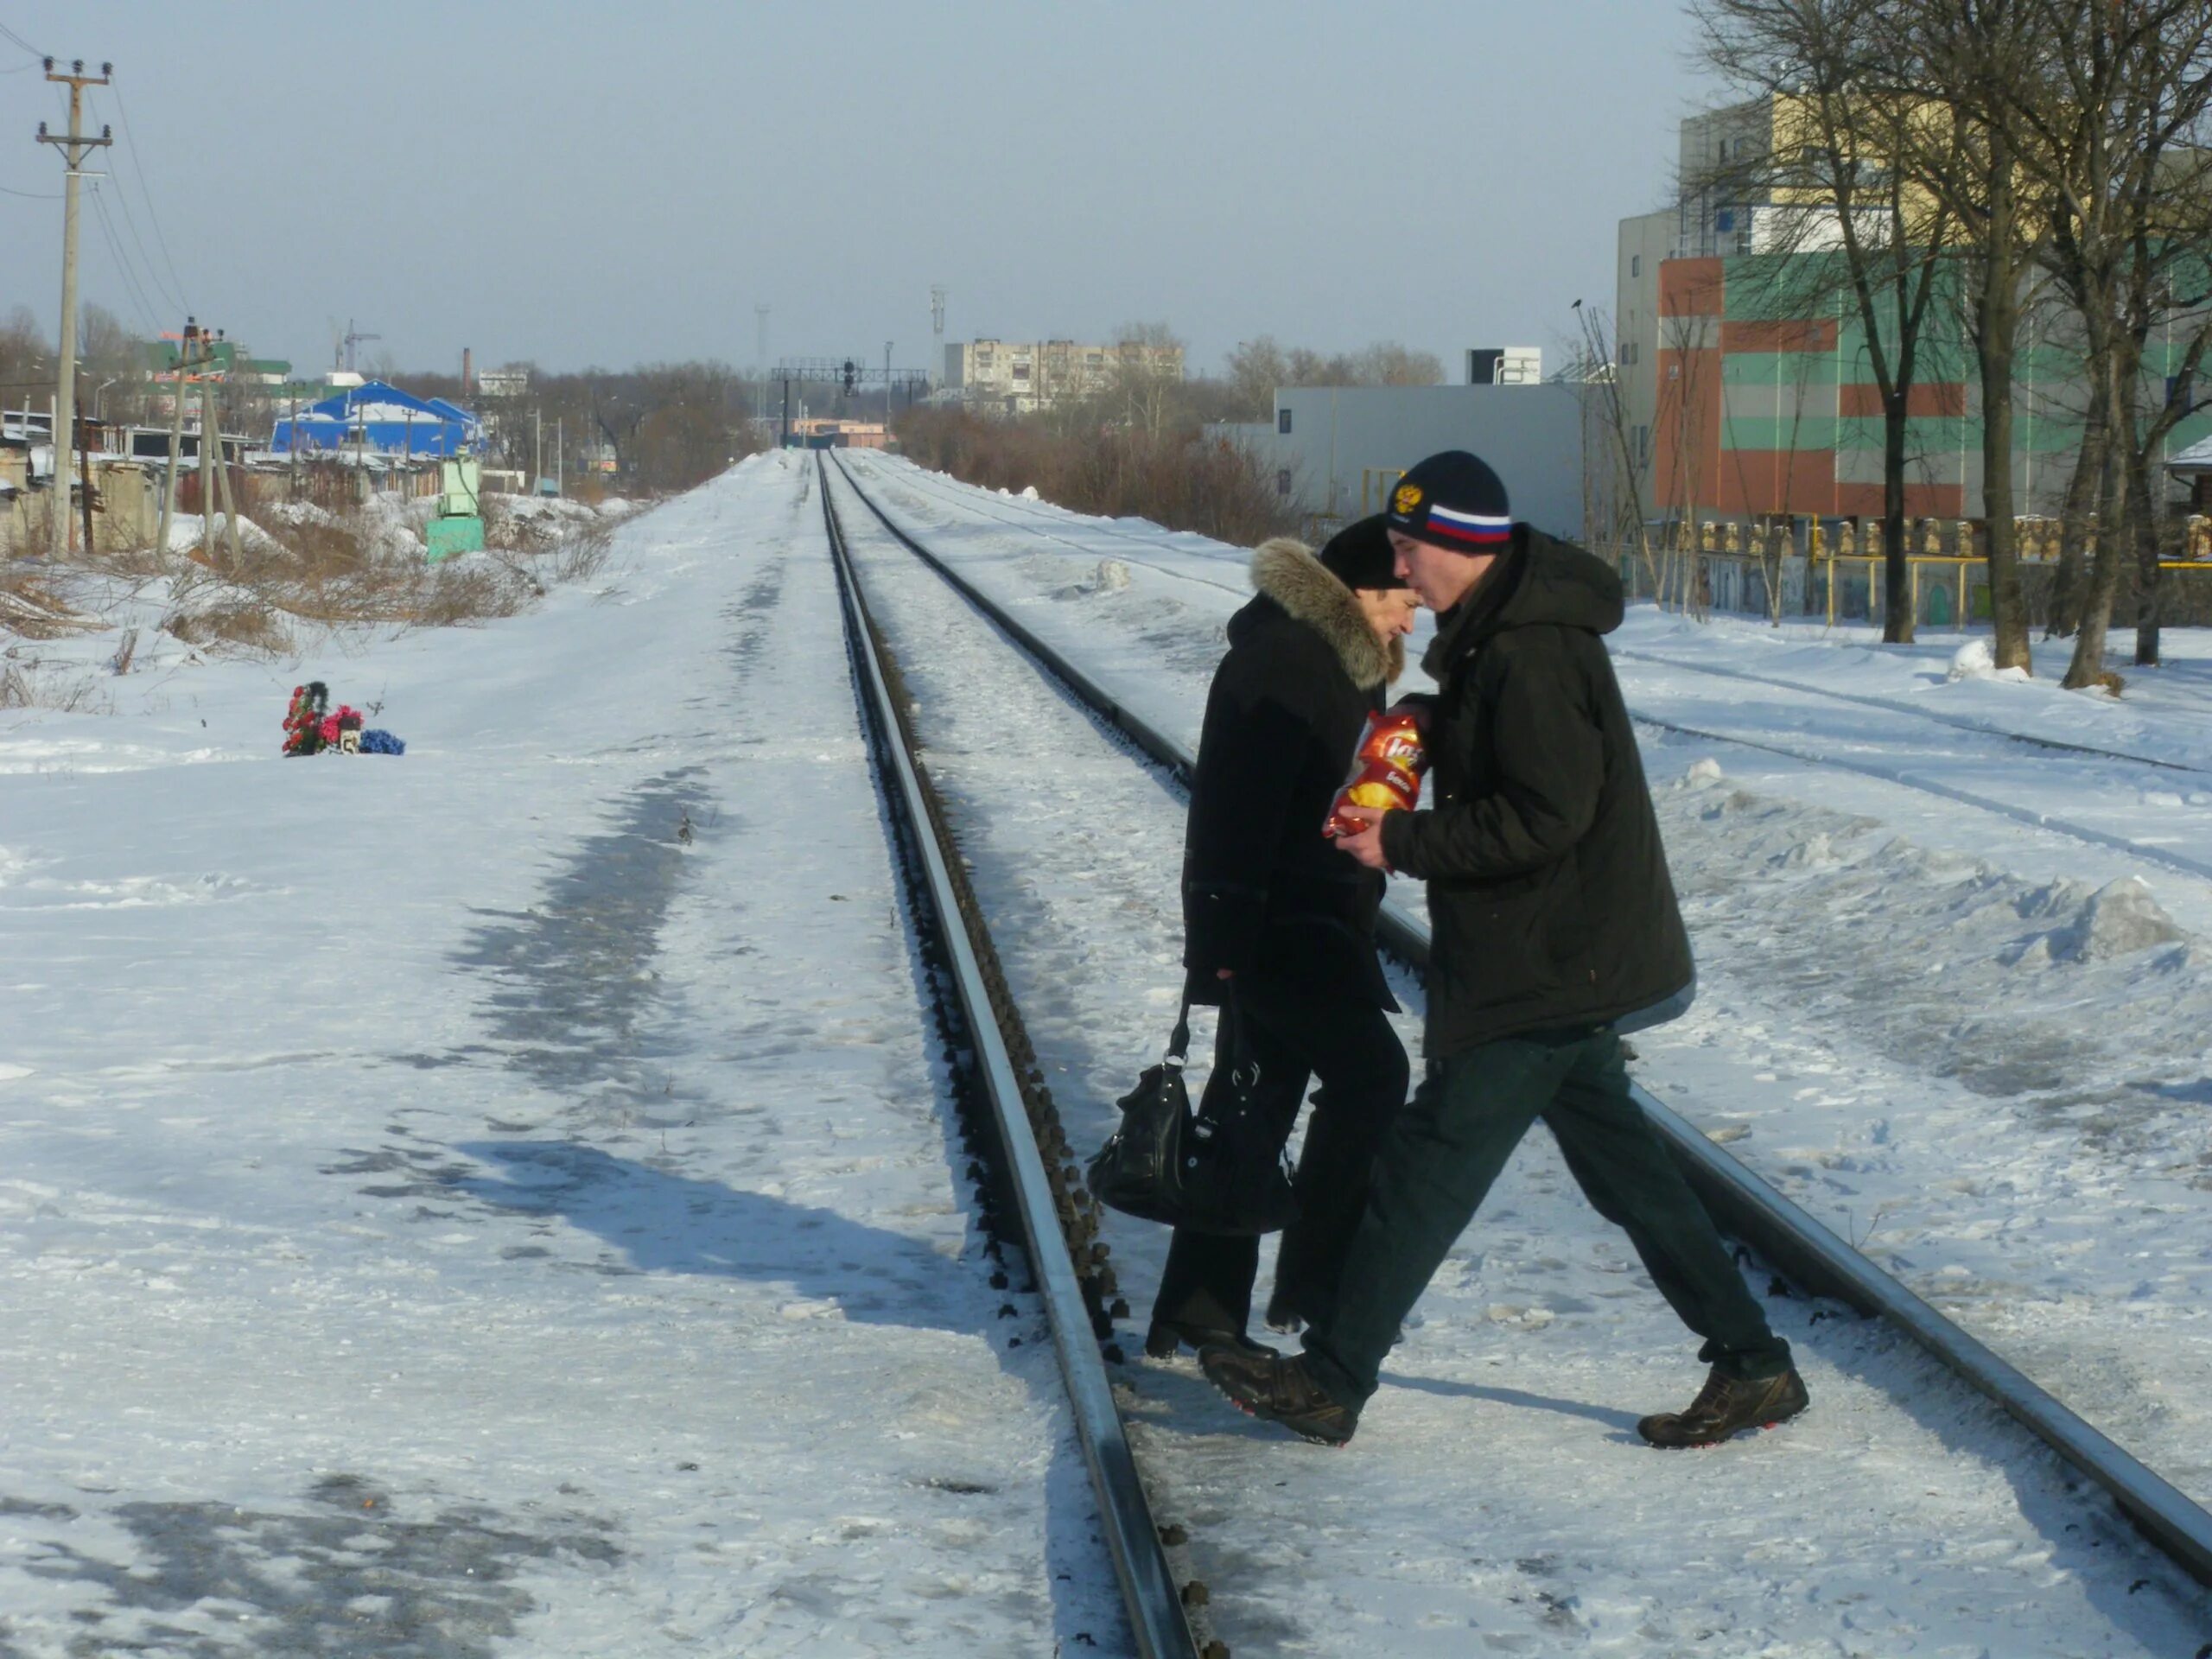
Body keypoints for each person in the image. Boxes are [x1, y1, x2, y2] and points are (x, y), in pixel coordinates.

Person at [1199, 451, 1808, 1448]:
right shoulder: (1496, 640)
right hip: (1564, 956)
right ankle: (1754, 1365)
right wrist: (1440, 724)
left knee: (1423, 1168)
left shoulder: (1530, 650)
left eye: (1409, 548)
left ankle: (1333, 1378)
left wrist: (1399, 841)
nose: (1400, 568)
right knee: (1631, 1178)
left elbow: (1545, 815)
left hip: (1550, 959)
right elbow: (1528, 763)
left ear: (1464, 545)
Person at [1148, 517, 1421, 1359]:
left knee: (1252, 1104)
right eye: (1403, 601)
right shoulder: (1286, 659)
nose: (1411, 620)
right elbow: (1232, 808)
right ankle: (1317, 1281)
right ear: (1361, 591)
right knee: (1373, 1076)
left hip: (1308, 916)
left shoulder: (1336, 660)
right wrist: (1220, 942)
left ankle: (1200, 1309)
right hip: (1278, 922)